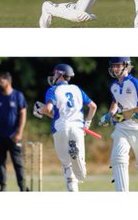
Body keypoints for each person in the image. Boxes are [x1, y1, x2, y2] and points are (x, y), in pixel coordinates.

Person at [35, 63, 96, 193]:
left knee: (67, 166)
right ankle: (76, 154)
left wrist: (39, 110)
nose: (53, 76)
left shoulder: (53, 90)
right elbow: (93, 106)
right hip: (78, 128)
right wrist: (87, 124)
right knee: (81, 174)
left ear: (60, 75)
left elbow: (48, 110)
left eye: (55, 73)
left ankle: (73, 191)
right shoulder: (77, 89)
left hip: (60, 128)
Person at [103, 56, 138, 190]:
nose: (115, 69)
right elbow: (115, 102)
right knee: (118, 159)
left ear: (126, 65)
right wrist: (110, 114)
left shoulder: (135, 84)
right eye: (113, 66)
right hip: (122, 127)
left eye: (118, 65)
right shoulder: (113, 86)